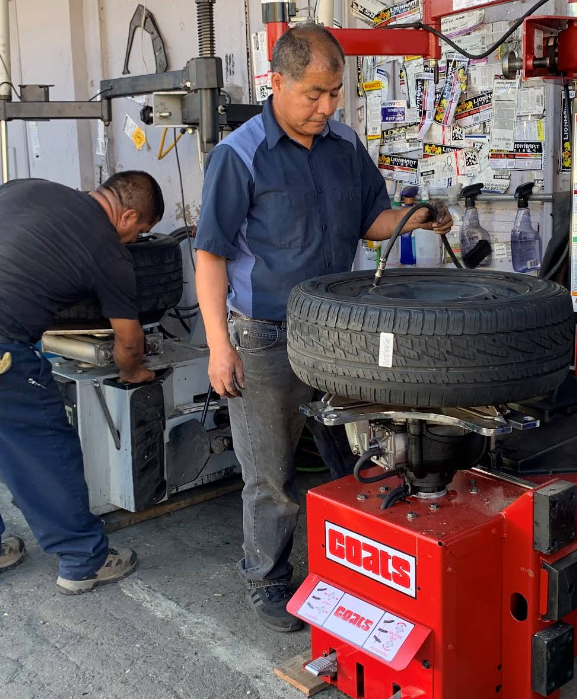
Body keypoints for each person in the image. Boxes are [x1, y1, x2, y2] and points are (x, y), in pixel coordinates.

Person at [193, 24, 453, 632]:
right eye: (315, 94)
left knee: (358, 459)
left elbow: (374, 221)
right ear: (277, 82)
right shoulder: (240, 155)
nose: (327, 107)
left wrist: (417, 218)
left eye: (335, 93)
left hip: (340, 332)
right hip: (265, 338)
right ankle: (268, 577)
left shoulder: (344, 145)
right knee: (272, 473)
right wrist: (218, 347)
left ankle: (356, 571)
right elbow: (210, 254)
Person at [0, 172, 163, 596]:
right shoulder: (108, 250)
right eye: (138, 233)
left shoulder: (27, 187)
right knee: (46, 453)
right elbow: (129, 339)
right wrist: (133, 373)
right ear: (128, 215)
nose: (133, 241)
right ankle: (85, 560)